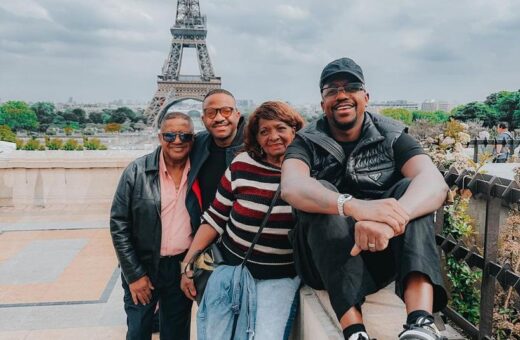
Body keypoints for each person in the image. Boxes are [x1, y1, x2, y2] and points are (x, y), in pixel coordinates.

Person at [281, 58, 449, 340]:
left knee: (411, 189)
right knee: (320, 191)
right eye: (331, 90)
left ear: (366, 97)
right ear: (323, 103)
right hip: (323, 261)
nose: (342, 95)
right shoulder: (306, 140)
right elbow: (292, 186)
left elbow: (434, 183)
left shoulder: (392, 134)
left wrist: (391, 221)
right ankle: (355, 331)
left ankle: (420, 323)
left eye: (351, 87)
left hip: (381, 253)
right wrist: (353, 206)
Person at [180, 101, 305, 339]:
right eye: (264, 131)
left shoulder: (309, 171)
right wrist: (187, 264)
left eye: (280, 128)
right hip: (232, 270)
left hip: (279, 277)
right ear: (256, 138)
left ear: (294, 130)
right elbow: (215, 218)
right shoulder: (241, 164)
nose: (273, 136)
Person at [110, 112, 195, 340]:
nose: (177, 140)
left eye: (184, 135)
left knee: (176, 333)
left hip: (181, 267)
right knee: (138, 331)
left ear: (193, 139)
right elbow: (119, 225)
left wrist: (191, 269)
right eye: (169, 135)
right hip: (143, 265)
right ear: (160, 137)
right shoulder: (136, 171)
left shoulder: (199, 173)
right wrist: (134, 275)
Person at [185, 88, 246, 232]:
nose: (219, 118)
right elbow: (168, 151)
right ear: (203, 119)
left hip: (241, 240)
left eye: (226, 111)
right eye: (211, 113)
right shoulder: (196, 143)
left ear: (237, 115)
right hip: (204, 235)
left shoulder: (257, 147)